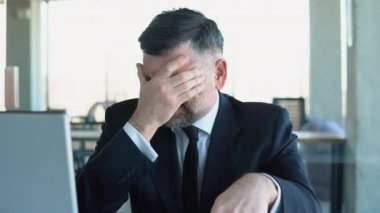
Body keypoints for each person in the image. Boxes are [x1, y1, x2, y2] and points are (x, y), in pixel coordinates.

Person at [76, 8, 322, 213]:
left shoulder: (266, 124)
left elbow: (309, 207)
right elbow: (82, 206)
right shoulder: (126, 119)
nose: (162, 94)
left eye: (177, 80)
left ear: (219, 73)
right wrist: (143, 124)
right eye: (151, 80)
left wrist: (267, 187)